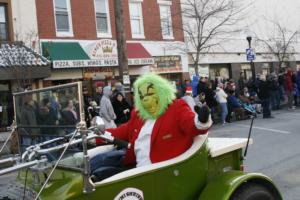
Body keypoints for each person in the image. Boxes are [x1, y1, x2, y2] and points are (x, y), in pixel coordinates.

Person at [91, 74, 212, 181]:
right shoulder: (139, 116)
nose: (146, 99)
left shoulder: (176, 108)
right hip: (135, 169)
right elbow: (120, 131)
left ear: (162, 92)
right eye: (142, 96)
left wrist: (201, 120)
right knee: (96, 172)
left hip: (161, 174)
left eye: (150, 93)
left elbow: (192, 125)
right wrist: (93, 136)